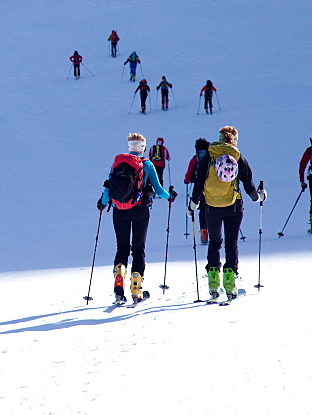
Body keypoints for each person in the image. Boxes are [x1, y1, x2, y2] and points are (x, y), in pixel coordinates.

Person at [189, 126, 265, 301]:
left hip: (211, 206)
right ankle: (230, 284)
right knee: (231, 244)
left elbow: (199, 180)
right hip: (233, 206)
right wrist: (259, 197)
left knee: (214, 243)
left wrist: (193, 202)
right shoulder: (238, 157)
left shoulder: (209, 156)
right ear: (235, 140)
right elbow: (249, 186)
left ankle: (213, 284)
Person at [97, 133, 173, 305]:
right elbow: (159, 190)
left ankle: (119, 284)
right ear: (143, 147)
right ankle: (136, 291)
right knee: (138, 249)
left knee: (122, 248)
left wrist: (102, 203)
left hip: (119, 210)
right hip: (140, 210)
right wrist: (170, 196)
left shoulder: (118, 163)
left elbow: (109, 187)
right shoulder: (146, 164)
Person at [183, 138, 211, 244]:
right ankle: (215, 234)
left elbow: (188, 175)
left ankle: (204, 234)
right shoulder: (212, 158)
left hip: (200, 189)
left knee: (202, 211)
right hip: (213, 188)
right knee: (214, 210)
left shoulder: (195, 159)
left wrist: (187, 180)